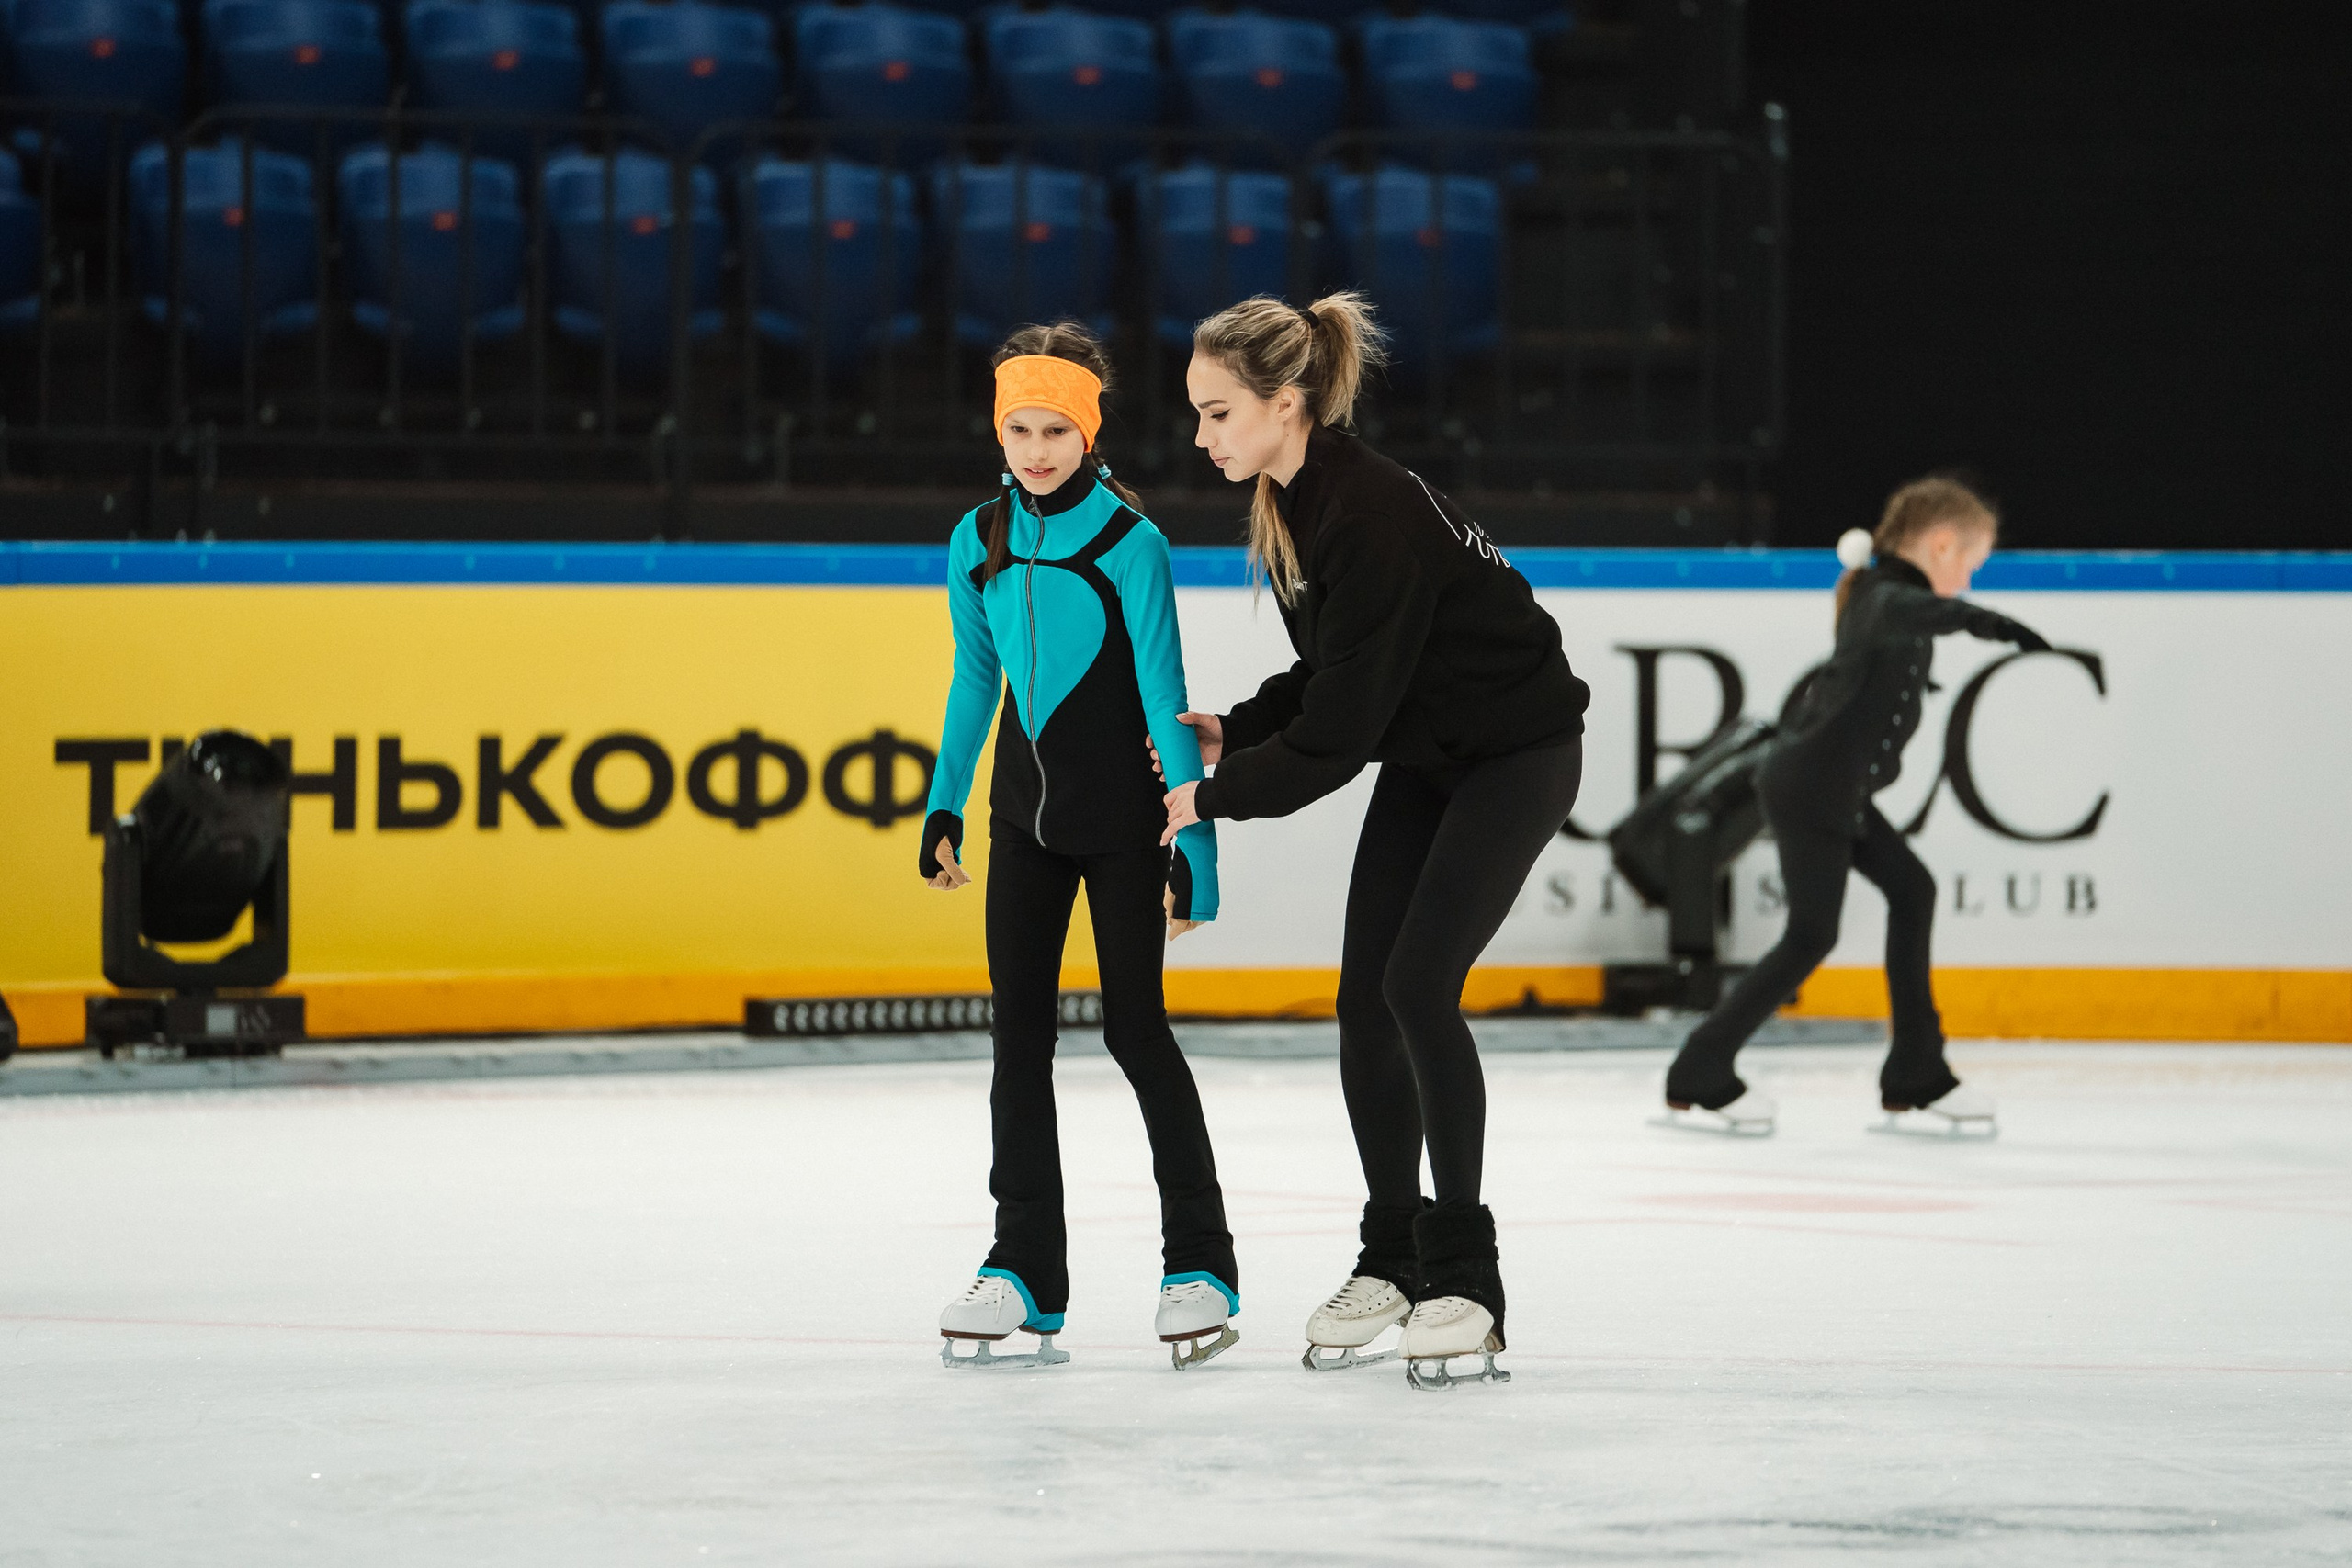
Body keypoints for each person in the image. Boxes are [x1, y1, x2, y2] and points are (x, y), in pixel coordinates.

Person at [1159, 293, 1590, 1390]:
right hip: (1431, 752)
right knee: (1366, 1000)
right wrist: (1235, 729)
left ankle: (1467, 1279)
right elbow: (1334, 678)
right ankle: (1393, 1257)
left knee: (1417, 988)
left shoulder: (1365, 514)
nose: (1201, 437)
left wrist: (1212, 797)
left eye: (1217, 413)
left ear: (1285, 403)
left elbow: (1340, 738)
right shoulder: (1296, 500)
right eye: (1197, 413)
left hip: (1516, 754)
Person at [922, 321, 1242, 1371]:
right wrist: (942, 804)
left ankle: (1199, 1265)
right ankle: (1023, 1269)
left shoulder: (1128, 544)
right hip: (1021, 823)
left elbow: (1163, 696)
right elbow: (976, 678)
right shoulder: (976, 537)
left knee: (1134, 1032)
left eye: (1055, 430)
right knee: (1017, 1040)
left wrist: (1195, 844)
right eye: (1019, 429)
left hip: (1121, 828)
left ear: (1088, 431)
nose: (1036, 449)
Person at [1660, 475, 2051, 1139]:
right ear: (1942, 543)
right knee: (1812, 936)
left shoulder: (1877, 594)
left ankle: (1915, 1070)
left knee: (1913, 890)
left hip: (1832, 787)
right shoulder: (1886, 598)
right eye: (1970, 563)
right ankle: (1701, 1067)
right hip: (1814, 786)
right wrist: (1993, 623)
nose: (1969, 579)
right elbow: (1919, 611)